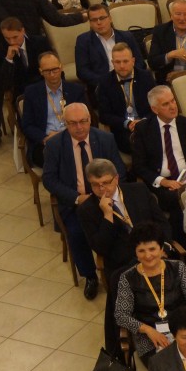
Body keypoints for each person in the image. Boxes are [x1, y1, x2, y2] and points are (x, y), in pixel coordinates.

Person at [0, 0, 85, 146]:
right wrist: (81, 17)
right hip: (34, 51)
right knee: (49, 77)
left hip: (2, 47)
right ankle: (56, 117)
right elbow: (56, 19)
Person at [78, 158, 171, 355]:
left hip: (157, 255)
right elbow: (101, 247)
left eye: (106, 182)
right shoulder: (87, 210)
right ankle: (146, 337)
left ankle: (174, 328)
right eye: (95, 184)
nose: (101, 188)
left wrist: (164, 248)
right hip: (124, 265)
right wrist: (107, 216)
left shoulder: (138, 190)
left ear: (116, 178)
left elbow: (162, 223)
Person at [41, 103, 126, 300]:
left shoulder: (105, 139)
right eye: (73, 123)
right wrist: (77, 198)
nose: (79, 127)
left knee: (121, 226)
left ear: (90, 120)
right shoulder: (55, 145)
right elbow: (49, 179)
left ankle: (119, 269)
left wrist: (108, 192)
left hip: (107, 197)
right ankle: (90, 276)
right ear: (65, 123)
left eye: (83, 121)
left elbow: (119, 170)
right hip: (76, 202)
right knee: (77, 233)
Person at [116, 222, 186, 364]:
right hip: (150, 339)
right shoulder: (127, 278)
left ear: (161, 249)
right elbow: (121, 315)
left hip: (184, 329)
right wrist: (147, 330)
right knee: (171, 368)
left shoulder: (178, 267)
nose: (148, 255)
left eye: (152, 249)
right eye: (141, 251)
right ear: (135, 253)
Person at [131, 84, 186, 248]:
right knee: (176, 202)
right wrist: (163, 182)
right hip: (162, 183)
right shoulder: (143, 129)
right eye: (166, 104)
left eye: (173, 101)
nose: (173, 106)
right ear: (155, 109)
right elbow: (139, 165)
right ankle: (183, 248)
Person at [0, 17, 52, 148]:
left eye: (15, 37)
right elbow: (3, 84)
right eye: (7, 38)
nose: (12, 42)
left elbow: (52, 65)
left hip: (43, 85)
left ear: (23, 31)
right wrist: (9, 60)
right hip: (22, 92)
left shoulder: (40, 42)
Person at [21, 52, 85, 167]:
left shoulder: (76, 90)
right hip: (45, 142)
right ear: (41, 71)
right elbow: (27, 125)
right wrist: (44, 138)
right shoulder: (32, 92)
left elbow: (85, 118)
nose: (52, 74)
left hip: (73, 137)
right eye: (47, 71)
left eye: (55, 69)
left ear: (61, 67)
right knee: (57, 160)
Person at [96, 42, 154, 153]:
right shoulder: (105, 82)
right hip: (122, 130)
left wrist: (143, 121)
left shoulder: (146, 77)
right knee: (138, 145)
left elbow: (156, 106)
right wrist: (127, 123)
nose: (122, 66)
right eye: (118, 62)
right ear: (112, 63)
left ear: (133, 61)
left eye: (125, 61)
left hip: (147, 125)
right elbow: (104, 115)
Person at [75, 4, 145, 91]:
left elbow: (139, 62)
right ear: (90, 23)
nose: (99, 22)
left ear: (110, 18)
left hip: (130, 82)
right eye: (94, 20)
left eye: (102, 18)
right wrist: (106, 82)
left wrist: (130, 77)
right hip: (102, 86)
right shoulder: (83, 40)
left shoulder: (127, 36)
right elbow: (82, 71)